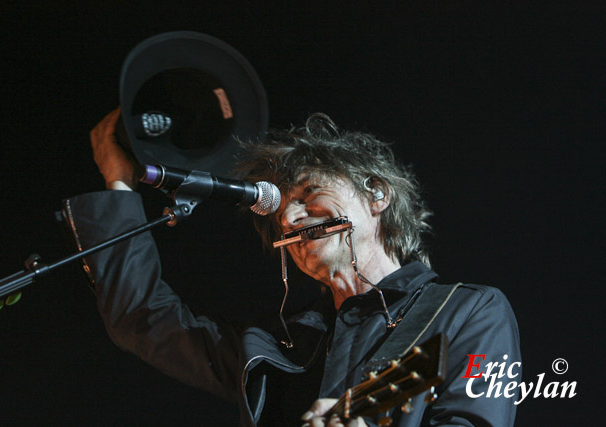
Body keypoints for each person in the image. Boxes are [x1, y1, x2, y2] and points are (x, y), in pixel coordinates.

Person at [62, 107, 521, 426]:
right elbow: (143, 318)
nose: (289, 217)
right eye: (282, 209)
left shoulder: (468, 312)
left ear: (377, 195)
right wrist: (119, 184)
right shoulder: (279, 343)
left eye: (306, 195)